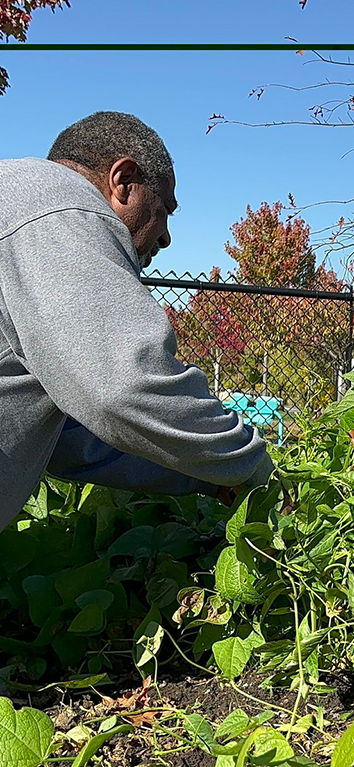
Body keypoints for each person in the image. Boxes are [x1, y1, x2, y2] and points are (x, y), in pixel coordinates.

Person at [0, 111, 272, 529]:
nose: (165, 237)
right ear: (123, 182)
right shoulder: (61, 205)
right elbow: (128, 385)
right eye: (165, 209)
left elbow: (72, 441)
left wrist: (204, 474)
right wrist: (252, 467)